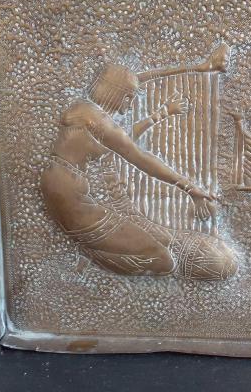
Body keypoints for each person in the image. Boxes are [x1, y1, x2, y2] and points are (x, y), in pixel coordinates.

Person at [41, 44, 237, 280]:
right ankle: (91, 254)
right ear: (116, 93)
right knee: (164, 260)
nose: (131, 104)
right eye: (129, 98)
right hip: (72, 200)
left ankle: (96, 247)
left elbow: (139, 79)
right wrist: (189, 187)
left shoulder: (88, 112)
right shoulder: (95, 119)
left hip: (68, 191)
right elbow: (140, 157)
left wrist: (198, 67)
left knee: (164, 238)